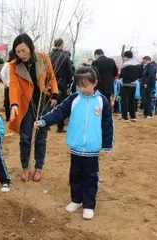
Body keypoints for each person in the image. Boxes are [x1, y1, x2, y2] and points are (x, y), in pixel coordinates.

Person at [34, 66, 114, 220]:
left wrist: (107, 144)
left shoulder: (102, 101)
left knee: (91, 177)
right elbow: (59, 112)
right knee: (75, 175)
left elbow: (107, 124)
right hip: (76, 147)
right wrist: (44, 121)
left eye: (86, 85)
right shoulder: (74, 99)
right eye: (80, 86)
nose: (82, 89)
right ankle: (76, 200)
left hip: (92, 148)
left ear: (95, 82)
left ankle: (89, 205)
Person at [8, 33, 58, 182]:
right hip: (26, 105)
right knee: (25, 138)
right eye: (18, 51)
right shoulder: (14, 65)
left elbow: (52, 77)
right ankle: (25, 167)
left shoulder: (43, 57)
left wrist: (54, 94)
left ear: (30, 47)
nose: (21, 54)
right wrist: (14, 104)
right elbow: (13, 85)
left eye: (24, 50)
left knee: (41, 138)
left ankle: (39, 168)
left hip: (43, 104)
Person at [49, 38, 74, 133]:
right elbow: (70, 73)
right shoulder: (65, 57)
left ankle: (46, 124)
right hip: (61, 84)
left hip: (49, 84)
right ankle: (60, 126)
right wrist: (68, 84)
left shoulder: (48, 55)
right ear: (62, 45)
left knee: (48, 104)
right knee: (60, 105)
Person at [118, 51, 142, 122]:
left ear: (126, 57)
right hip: (134, 85)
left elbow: (121, 75)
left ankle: (125, 118)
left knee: (124, 101)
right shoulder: (138, 64)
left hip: (125, 85)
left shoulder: (125, 64)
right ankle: (133, 117)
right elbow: (140, 75)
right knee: (132, 100)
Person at [0, 51, 16, 122]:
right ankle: (13, 117)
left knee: (7, 101)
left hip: (8, 86)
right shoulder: (13, 64)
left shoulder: (7, 64)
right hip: (14, 86)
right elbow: (2, 74)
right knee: (13, 101)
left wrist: (6, 83)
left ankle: (8, 117)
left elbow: (2, 74)